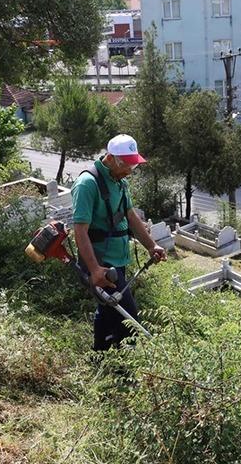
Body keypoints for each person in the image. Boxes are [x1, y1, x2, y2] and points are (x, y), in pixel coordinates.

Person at [71, 134, 167, 351]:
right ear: (112, 158)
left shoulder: (120, 183)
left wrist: (152, 246)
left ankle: (99, 355)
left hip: (118, 260)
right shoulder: (88, 184)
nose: (130, 171)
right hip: (101, 264)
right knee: (129, 320)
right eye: (127, 165)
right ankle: (126, 368)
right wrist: (95, 270)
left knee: (107, 311)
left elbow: (131, 216)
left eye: (134, 166)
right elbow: (80, 232)